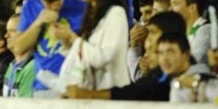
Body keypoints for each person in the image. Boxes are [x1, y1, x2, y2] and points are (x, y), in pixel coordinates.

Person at [53, 0, 130, 91]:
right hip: (90, 93)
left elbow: (103, 57)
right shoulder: (90, 16)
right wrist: (66, 40)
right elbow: (83, 54)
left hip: (111, 95)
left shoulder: (116, 13)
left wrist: (72, 38)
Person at [15, 0, 86, 95]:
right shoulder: (31, 5)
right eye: (49, 2)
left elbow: (90, 50)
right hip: (43, 86)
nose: (55, 5)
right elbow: (19, 48)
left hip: (75, 85)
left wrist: (69, 36)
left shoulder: (80, 7)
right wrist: (38, 23)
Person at [66, 32, 195, 101]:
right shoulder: (160, 78)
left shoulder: (204, 80)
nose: (165, 59)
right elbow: (133, 91)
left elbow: (130, 93)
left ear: (186, 54)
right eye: (161, 53)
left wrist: (88, 94)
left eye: (171, 52)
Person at [169, 0, 212, 64]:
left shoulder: (207, 31)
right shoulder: (181, 33)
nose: (170, 9)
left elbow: (195, 63)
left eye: (175, 4)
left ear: (192, 8)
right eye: (170, 4)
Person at [2, 14, 35, 97]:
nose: (6, 35)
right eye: (7, 31)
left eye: (12, 31)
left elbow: (24, 108)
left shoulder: (32, 68)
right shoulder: (12, 65)